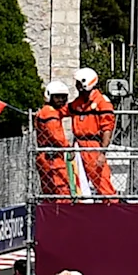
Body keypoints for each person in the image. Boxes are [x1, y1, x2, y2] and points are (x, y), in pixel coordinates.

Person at [70, 66, 118, 198]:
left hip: (93, 147)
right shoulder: (78, 103)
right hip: (79, 146)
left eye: (79, 84)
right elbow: (65, 110)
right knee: (77, 183)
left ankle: (112, 208)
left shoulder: (102, 103)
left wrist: (102, 153)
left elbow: (107, 129)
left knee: (102, 183)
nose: (76, 86)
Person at [32, 80, 75, 197]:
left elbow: (65, 110)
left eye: (63, 97)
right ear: (49, 96)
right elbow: (56, 135)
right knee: (61, 189)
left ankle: (52, 212)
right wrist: (68, 148)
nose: (61, 100)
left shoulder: (49, 111)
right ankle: (61, 213)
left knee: (50, 191)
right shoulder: (50, 113)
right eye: (57, 97)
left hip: (48, 156)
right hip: (52, 158)